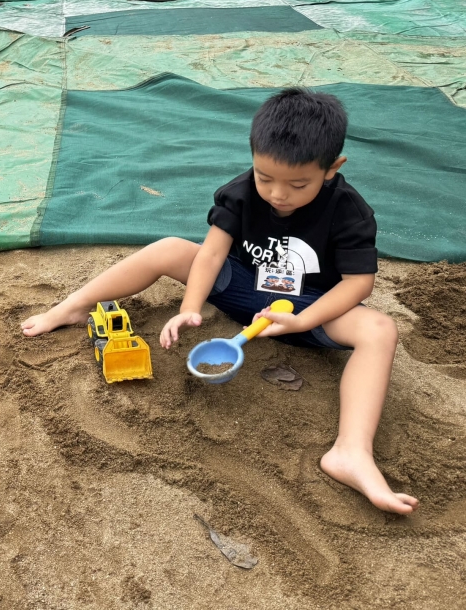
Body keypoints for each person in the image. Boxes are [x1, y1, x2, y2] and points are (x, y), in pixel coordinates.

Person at [21, 88, 419, 516]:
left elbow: (358, 284)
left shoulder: (349, 210)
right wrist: (190, 307)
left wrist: (305, 320)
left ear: (332, 168)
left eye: (298, 184)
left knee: (380, 329)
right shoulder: (242, 191)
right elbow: (211, 254)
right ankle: (74, 305)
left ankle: (350, 451)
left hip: (309, 307)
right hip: (244, 289)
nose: (277, 194)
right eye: (265, 177)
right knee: (169, 248)